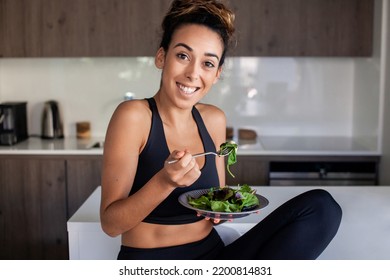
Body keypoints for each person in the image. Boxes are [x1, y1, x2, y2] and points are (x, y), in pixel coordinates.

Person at [100, 0, 342, 260]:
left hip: (214, 259)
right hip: (152, 263)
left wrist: (223, 211)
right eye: (183, 56)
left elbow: (215, 204)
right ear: (162, 57)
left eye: (207, 63)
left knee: (322, 208)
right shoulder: (134, 116)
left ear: (217, 74)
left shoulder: (214, 119)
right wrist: (165, 181)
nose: (193, 73)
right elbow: (111, 225)